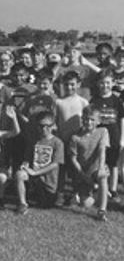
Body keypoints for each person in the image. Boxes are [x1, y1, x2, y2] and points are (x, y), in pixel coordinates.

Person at [16, 111, 64, 214]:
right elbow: (27, 158)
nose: (44, 129)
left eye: (48, 126)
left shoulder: (58, 143)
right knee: (20, 174)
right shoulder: (34, 141)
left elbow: (55, 164)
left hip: (49, 183)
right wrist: (24, 165)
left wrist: (35, 172)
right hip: (34, 179)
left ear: (54, 126)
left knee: (44, 205)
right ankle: (22, 204)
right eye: (41, 126)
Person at [69, 106, 110, 221]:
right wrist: (84, 176)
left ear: (98, 121)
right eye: (86, 119)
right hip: (83, 172)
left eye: (92, 119)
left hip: (96, 168)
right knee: (86, 204)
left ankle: (101, 211)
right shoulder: (75, 137)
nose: (89, 122)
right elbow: (73, 159)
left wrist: (101, 167)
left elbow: (102, 150)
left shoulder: (103, 131)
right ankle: (99, 191)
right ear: (82, 119)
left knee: (102, 176)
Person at [89, 69, 124, 201]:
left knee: (113, 164)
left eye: (108, 83)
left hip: (114, 136)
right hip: (99, 138)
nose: (105, 86)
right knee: (98, 162)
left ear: (113, 83)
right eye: (102, 83)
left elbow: (122, 119)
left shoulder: (116, 100)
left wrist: (122, 139)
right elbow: (91, 119)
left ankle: (113, 189)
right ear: (98, 84)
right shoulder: (94, 100)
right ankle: (97, 186)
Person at [55, 71, 89, 205]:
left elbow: (87, 122)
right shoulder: (59, 102)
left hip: (77, 142)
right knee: (61, 169)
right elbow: (56, 122)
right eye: (67, 84)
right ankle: (60, 194)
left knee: (76, 169)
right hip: (62, 141)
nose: (69, 87)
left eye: (73, 84)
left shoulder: (83, 102)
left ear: (78, 84)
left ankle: (76, 194)